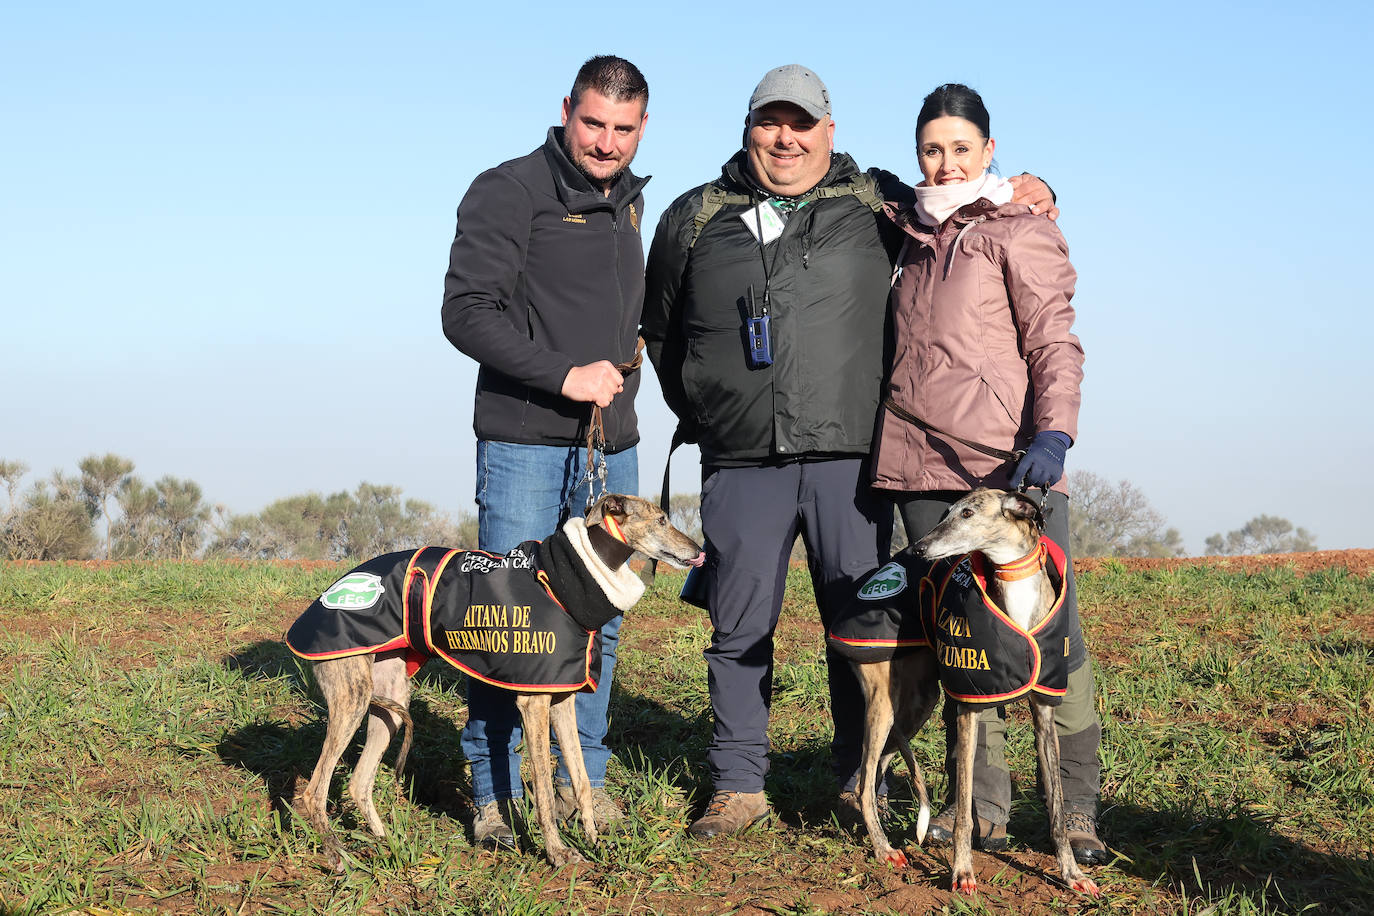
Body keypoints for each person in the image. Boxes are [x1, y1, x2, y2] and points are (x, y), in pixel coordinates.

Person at [640, 65, 1056, 838]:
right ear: (749, 127)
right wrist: (707, 406)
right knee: (737, 628)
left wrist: (1032, 186)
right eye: (771, 123)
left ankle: (856, 779)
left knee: (860, 625)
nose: (786, 138)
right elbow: (661, 329)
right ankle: (737, 785)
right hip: (740, 461)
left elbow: (957, 205)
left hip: (851, 460)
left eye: (802, 123)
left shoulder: (877, 201)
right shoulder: (695, 216)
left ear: (830, 130)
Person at [871, 82, 1106, 864]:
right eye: (932, 149)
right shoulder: (903, 229)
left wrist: (1055, 433)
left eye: (960, 149)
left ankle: (1074, 815)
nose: (945, 164)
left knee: (1049, 644)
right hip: (919, 469)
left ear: (989, 149)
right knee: (963, 647)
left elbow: (1055, 342)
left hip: (1008, 475)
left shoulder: (1019, 225)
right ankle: (982, 808)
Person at [441, 55, 650, 850]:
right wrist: (563, 375)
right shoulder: (509, 189)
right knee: (508, 620)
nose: (605, 143)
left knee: (602, 617)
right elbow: (465, 312)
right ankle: (493, 792)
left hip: (612, 449)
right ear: (567, 110)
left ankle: (580, 779)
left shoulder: (629, 200)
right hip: (524, 442)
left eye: (623, 129)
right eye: (593, 123)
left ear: (641, 128)